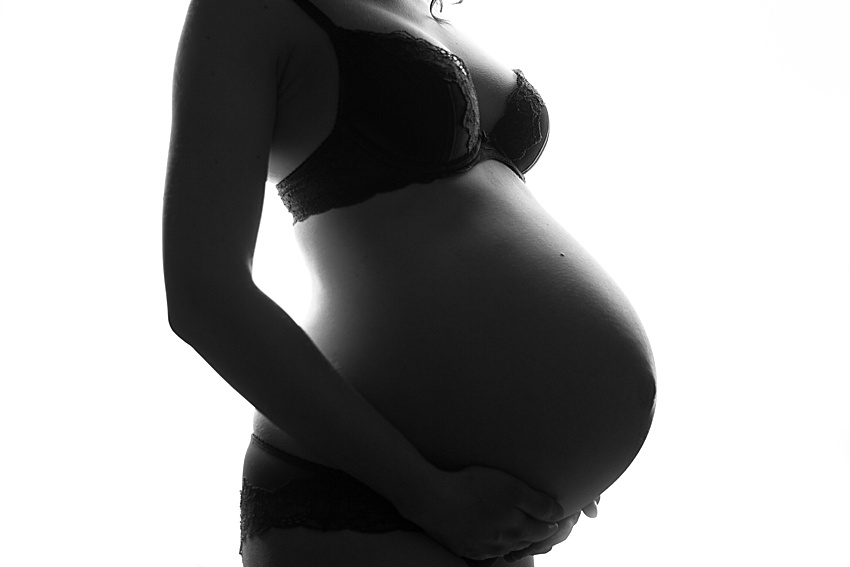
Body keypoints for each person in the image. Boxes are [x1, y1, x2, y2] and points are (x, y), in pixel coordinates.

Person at [162, 0, 657, 565]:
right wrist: (426, 494)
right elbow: (205, 292)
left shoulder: (438, 18)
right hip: (367, 495)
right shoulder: (250, 10)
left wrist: (573, 448)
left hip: (497, 516)